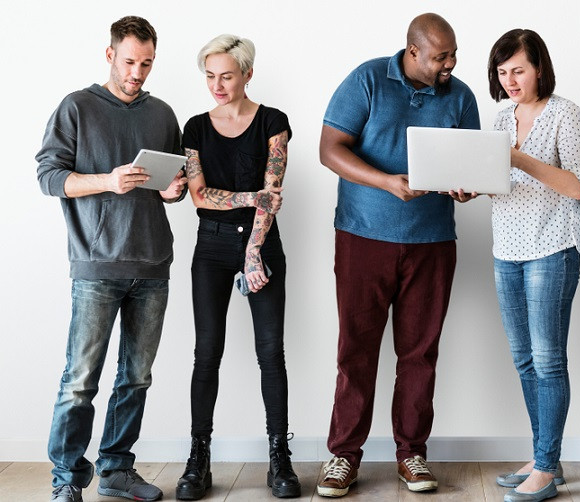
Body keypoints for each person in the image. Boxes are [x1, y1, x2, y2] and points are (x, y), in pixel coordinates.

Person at [315, 12, 480, 498]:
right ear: (413, 52)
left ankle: (412, 454)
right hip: (363, 237)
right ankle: (343, 455)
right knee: (356, 350)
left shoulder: (462, 96)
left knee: (419, 353)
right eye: (441, 57)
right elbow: (329, 150)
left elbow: (469, 163)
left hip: (432, 243)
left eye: (453, 54)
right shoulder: (367, 79)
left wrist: (466, 188)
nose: (451, 63)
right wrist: (387, 182)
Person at [36, 16, 187, 502]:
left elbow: (168, 187)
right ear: (109, 55)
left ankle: (117, 469)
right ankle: (66, 479)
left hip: (152, 265)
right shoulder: (77, 107)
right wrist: (107, 179)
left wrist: (173, 190)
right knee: (80, 380)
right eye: (129, 62)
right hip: (97, 265)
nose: (137, 72)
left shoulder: (163, 113)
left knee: (136, 377)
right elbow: (49, 177)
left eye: (146, 64)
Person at [174, 34, 297, 500]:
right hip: (210, 247)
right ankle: (197, 458)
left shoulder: (274, 122)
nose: (218, 85)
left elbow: (275, 194)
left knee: (271, 352)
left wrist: (255, 249)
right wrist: (250, 198)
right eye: (210, 76)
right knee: (207, 352)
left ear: (247, 73)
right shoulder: (195, 128)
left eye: (226, 75)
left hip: (261, 243)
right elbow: (201, 197)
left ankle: (278, 458)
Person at [485, 29, 580, 502]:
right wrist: (473, 183)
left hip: (552, 246)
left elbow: (576, 186)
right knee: (524, 359)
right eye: (503, 72)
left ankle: (546, 467)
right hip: (506, 247)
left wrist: (519, 159)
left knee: (548, 361)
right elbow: (500, 182)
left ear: (539, 67)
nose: (510, 80)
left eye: (518, 70)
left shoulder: (565, 112)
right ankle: (545, 456)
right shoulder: (500, 117)